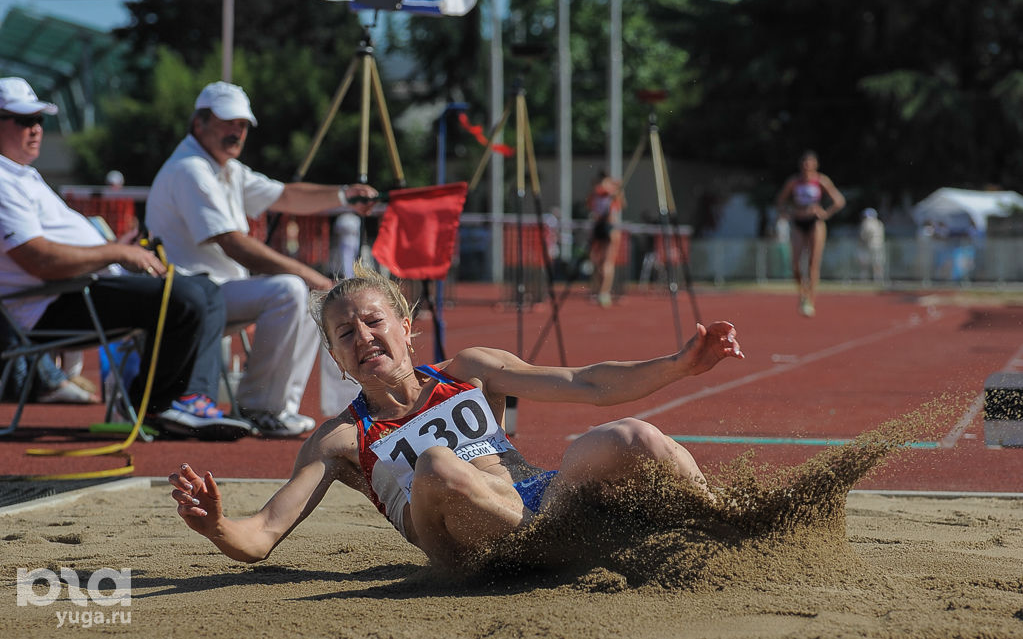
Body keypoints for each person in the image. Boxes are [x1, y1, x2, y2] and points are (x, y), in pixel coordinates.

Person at [168, 262, 744, 570]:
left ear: (405, 327)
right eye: (345, 333)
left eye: (373, 321)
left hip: (540, 502)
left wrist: (679, 365)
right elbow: (263, 534)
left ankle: (732, 522)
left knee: (631, 435)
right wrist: (218, 526)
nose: (362, 337)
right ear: (338, 360)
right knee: (437, 465)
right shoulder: (339, 438)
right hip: (465, 547)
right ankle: (572, 547)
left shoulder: (470, 370)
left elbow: (588, 383)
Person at [0, 77, 244, 438]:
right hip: (49, 304)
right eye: (24, 120)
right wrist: (116, 252)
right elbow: (40, 261)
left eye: (39, 120)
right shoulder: (3, 180)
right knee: (185, 297)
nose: (36, 129)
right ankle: (156, 405)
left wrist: (116, 247)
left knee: (206, 289)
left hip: (77, 288)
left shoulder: (22, 175)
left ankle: (190, 399)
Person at [146, 82, 378, 438]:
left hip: (214, 292)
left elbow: (285, 196)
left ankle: (275, 407)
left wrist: (344, 195)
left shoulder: (226, 168)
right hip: (187, 297)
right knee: (290, 289)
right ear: (199, 123)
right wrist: (312, 275)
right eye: (228, 122)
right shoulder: (190, 169)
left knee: (299, 291)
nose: (237, 131)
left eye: (243, 124)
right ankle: (261, 407)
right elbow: (232, 244)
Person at [774, 151, 845, 317]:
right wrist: (788, 212)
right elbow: (780, 201)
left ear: (815, 165)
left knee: (813, 263)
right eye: (804, 162)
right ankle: (802, 293)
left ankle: (810, 301)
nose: (807, 166)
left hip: (815, 223)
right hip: (798, 223)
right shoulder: (794, 181)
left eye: (810, 162)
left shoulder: (821, 180)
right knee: (796, 265)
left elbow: (839, 200)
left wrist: (825, 213)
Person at [586, 171, 625, 308]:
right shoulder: (599, 193)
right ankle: (600, 291)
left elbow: (620, 203)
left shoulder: (613, 194)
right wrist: (615, 188)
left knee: (607, 263)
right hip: (599, 228)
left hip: (609, 228)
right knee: (597, 262)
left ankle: (604, 292)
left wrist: (616, 191)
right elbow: (592, 202)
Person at [858, 208, 885, 283]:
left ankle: (864, 279)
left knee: (865, 263)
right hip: (879, 245)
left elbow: (864, 235)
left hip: (868, 245)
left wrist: (862, 241)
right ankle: (878, 279)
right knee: (877, 263)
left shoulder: (866, 223)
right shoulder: (879, 223)